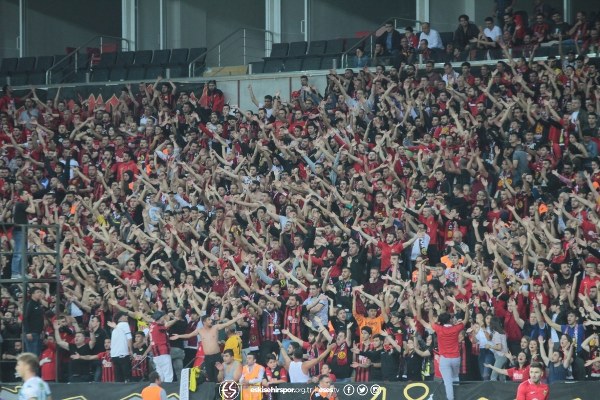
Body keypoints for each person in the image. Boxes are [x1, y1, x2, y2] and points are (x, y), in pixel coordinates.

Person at [170, 312, 245, 382]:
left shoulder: (216, 327)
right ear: (204, 322)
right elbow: (189, 335)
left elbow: (227, 323)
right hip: (208, 357)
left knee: (219, 376)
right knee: (210, 377)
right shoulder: (200, 330)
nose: (211, 321)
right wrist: (179, 336)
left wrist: (237, 318)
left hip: (217, 356)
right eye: (209, 319)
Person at [417, 307, 470, 400]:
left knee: (448, 383)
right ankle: (459, 397)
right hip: (456, 358)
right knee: (455, 378)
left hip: (444, 359)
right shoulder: (456, 328)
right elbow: (466, 320)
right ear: (450, 320)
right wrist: (467, 308)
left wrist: (430, 309)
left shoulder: (439, 328)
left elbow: (430, 320)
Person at [10, 190, 35, 279]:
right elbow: (32, 210)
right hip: (19, 231)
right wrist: (31, 200)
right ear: (21, 196)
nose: (28, 195)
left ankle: (21, 272)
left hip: (23, 231)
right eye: (26, 194)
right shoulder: (20, 204)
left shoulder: (21, 204)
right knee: (18, 253)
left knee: (23, 253)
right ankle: (15, 273)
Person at [149, 311, 174, 382]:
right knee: (168, 375)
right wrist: (176, 319)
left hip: (156, 354)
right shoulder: (158, 326)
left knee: (160, 376)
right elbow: (167, 325)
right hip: (162, 352)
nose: (164, 318)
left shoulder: (152, 325)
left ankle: (159, 391)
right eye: (163, 317)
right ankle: (168, 391)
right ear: (160, 318)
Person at [108, 312, 133, 382]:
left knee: (118, 379)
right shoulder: (124, 324)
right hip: (123, 354)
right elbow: (129, 338)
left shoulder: (115, 328)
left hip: (114, 356)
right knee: (127, 378)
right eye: (125, 316)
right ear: (121, 317)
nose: (127, 317)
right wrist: (130, 350)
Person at [23, 287, 45, 356]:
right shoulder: (29, 304)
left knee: (38, 355)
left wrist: (42, 330)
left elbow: (40, 319)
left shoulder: (38, 304)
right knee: (32, 355)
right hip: (32, 333)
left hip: (38, 333)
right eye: (38, 292)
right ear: (32, 294)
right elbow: (25, 318)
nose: (40, 293)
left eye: (40, 292)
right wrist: (28, 332)